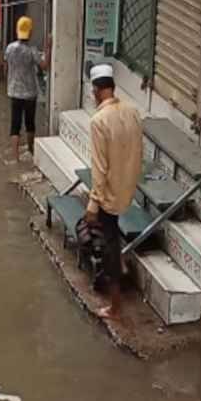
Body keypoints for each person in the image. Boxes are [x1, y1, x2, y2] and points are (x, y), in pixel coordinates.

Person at [84, 63, 143, 321]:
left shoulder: (98, 121)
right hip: (127, 187)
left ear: (96, 91)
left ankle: (115, 306)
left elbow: (100, 169)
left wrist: (92, 204)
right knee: (112, 237)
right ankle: (119, 262)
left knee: (108, 244)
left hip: (108, 193)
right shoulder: (132, 112)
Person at [3, 16, 50, 162]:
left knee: (15, 125)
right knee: (30, 123)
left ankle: (15, 157)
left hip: (14, 92)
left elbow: (6, 67)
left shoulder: (10, 48)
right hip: (30, 94)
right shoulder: (32, 51)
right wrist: (49, 48)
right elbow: (44, 66)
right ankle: (30, 149)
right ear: (30, 32)